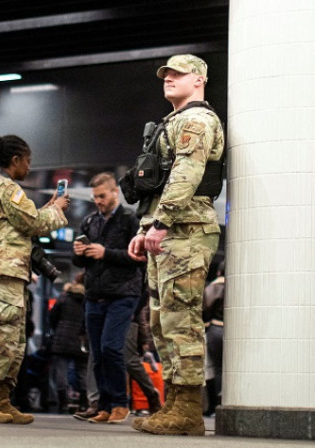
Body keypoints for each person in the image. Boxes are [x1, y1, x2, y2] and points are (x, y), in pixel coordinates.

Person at [127, 54, 225, 436]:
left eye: (178, 74)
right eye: (166, 74)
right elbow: (159, 182)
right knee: (161, 319)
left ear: (199, 79)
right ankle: (173, 404)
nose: (168, 79)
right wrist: (145, 226)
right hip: (167, 229)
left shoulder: (197, 121)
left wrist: (162, 222)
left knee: (180, 319)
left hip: (186, 230)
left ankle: (187, 410)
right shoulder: (174, 121)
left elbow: (187, 173)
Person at [0, 132, 69, 424]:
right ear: (15, 160)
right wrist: (58, 211)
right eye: (28, 161)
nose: (30, 166)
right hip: (3, 272)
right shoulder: (7, 189)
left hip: (8, 272)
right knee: (1, 337)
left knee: (13, 339)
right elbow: (33, 223)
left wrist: (50, 207)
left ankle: (1, 399)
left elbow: (22, 223)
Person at [73, 172, 144, 424]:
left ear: (115, 192)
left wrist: (106, 253)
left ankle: (120, 403)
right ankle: (103, 405)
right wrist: (79, 253)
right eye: (95, 198)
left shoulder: (131, 220)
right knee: (98, 353)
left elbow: (138, 257)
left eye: (102, 196)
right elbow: (79, 263)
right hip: (94, 294)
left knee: (111, 348)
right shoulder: (90, 221)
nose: (99, 201)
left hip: (123, 293)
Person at [48, 274, 89, 415]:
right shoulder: (87, 300)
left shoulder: (64, 298)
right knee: (82, 371)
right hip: (80, 338)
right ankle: (84, 403)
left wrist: (57, 329)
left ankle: (63, 404)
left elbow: (52, 316)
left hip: (62, 337)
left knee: (61, 371)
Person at [203, 261, 224, 416]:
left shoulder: (212, 287)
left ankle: (214, 407)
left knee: (213, 369)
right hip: (232, 332)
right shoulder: (236, 287)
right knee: (226, 369)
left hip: (215, 329)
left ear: (218, 272)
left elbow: (205, 310)